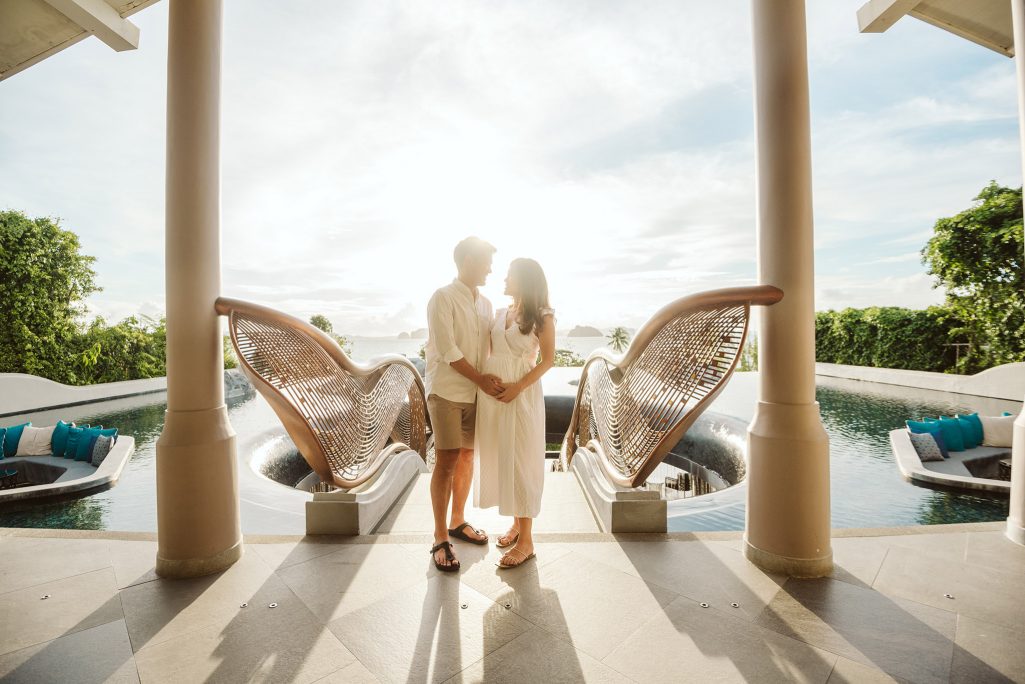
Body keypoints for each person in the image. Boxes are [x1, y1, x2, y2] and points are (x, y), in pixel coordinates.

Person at [425, 236, 504, 572]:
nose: (490, 268)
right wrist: (482, 379)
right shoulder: (442, 298)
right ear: (468, 260)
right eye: (486, 261)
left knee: (468, 455)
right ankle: (440, 536)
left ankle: (458, 520)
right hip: (445, 391)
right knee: (446, 460)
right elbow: (448, 351)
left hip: (475, 394)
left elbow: (492, 346)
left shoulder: (486, 304)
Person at [474, 258, 555, 569]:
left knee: (521, 462)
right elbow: (490, 352)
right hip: (494, 395)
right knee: (504, 457)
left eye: (510, 275)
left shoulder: (543, 317)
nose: (504, 279)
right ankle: (516, 525)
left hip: (521, 395)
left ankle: (527, 541)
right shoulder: (500, 313)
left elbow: (547, 360)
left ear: (525, 280)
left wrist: (518, 386)